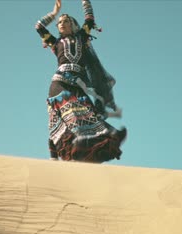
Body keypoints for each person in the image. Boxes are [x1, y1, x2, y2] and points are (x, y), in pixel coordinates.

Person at [35, 0, 126, 163]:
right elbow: (39, 26)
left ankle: (87, 154)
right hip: (59, 84)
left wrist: (85, 2)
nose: (62, 23)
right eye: (59, 22)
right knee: (67, 118)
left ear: (72, 25)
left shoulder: (82, 37)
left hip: (77, 86)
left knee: (89, 117)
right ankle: (54, 160)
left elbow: (89, 19)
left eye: (66, 21)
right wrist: (54, 13)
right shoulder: (55, 43)